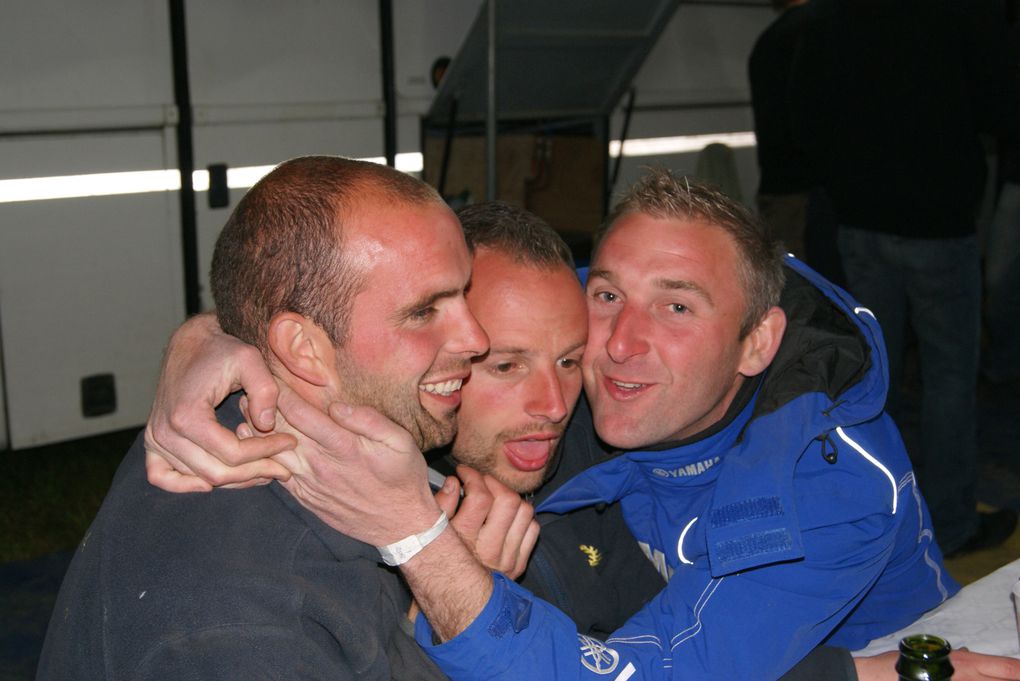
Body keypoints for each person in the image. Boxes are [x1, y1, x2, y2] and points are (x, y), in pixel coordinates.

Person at [146, 172, 1020, 680]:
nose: (613, 347)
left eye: (677, 306)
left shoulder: (828, 484)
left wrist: (426, 548)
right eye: (606, 294)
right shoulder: (584, 353)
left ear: (757, 341)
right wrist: (223, 338)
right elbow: (366, 284)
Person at [36, 155, 495, 679]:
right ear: (302, 348)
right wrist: (455, 610)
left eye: (464, 293)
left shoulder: (222, 428)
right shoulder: (249, 628)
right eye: (423, 311)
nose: (476, 338)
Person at [790, 0, 1019, 556]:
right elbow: (1003, 106)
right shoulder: (963, 14)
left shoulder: (837, 18)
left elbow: (810, 110)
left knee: (873, 376)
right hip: (938, 223)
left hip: (862, 216)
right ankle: (951, 521)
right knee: (947, 378)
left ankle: (873, 513)